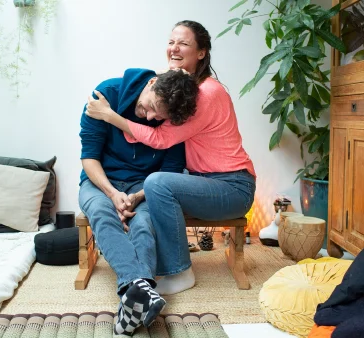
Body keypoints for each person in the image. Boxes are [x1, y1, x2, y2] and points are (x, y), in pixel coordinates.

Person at [85, 20, 257, 296]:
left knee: (158, 183)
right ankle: (140, 276)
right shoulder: (180, 87)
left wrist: (110, 116)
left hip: (231, 186)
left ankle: (180, 271)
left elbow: (161, 138)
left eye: (184, 44)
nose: (175, 49)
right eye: (171, 42)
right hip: (205, 181)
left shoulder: (206, 93)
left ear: (201, 53)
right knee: (149, 197)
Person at [78, 68, 199, 335]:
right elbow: (89, 156)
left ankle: (133, 297)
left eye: (160, 116)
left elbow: (171, 169)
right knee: (100, 212)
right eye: (153, 107)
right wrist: (112, 194)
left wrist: (136, 196)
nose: (153, 117)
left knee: (143, 223)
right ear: (152, 83)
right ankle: (140, 287)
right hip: (99, 182)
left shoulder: (171, 120)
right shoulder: (105, 95)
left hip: (143, 186)